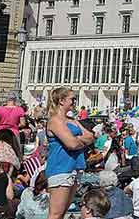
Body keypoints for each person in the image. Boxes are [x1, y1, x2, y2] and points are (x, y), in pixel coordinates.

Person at [46, 87, 95, 219]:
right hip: (60, 168)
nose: (75, 102)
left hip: (74, 167)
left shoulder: (72, 120)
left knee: (62, 213)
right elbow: (72, 144)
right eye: (72, 99)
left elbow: (91, 136)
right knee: (56, 214)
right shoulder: (55, 120)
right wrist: (78, 140)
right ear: (61, 101)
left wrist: (77, 139)